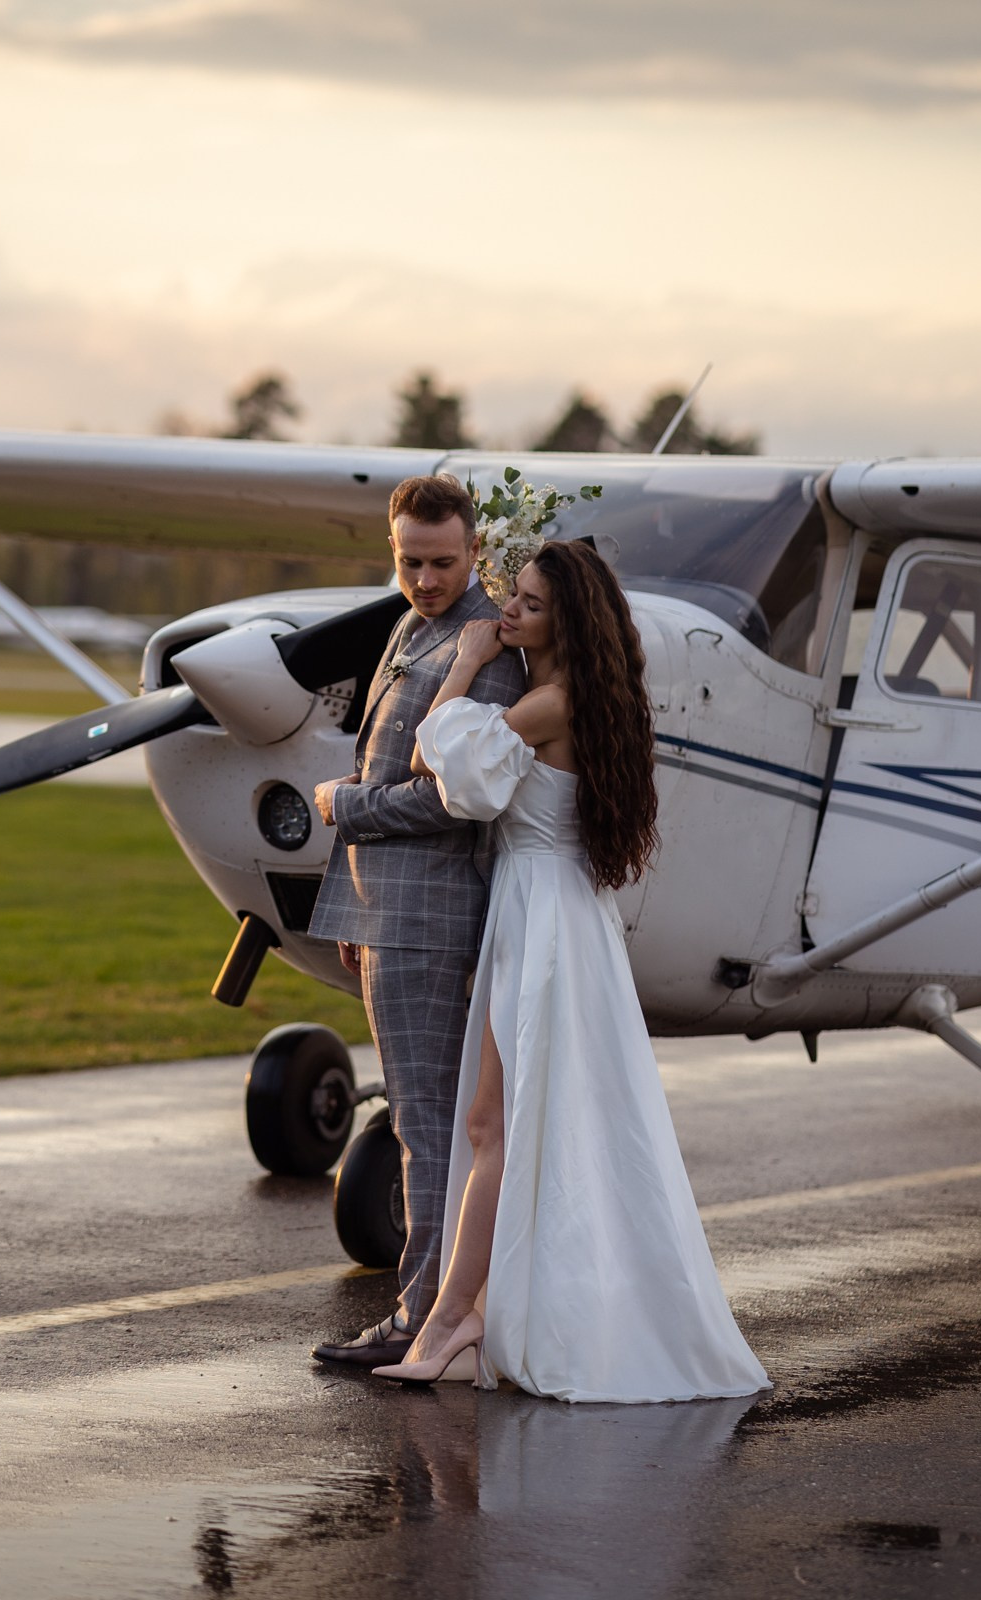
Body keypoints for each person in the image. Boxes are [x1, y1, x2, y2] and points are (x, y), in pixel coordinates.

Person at [372, 540, 769, 1403]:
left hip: (543, 918)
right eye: (511, 598)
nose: (508, 613)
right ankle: (467, 1314)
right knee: (492, 1125)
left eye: (530, 606)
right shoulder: (574, 696)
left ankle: (450, 1319)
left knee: (497, 1129)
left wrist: (470, 658)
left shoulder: (552, 702)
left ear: (569, 625)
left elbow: (437, 764)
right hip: (544, 910)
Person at [308, 474, 526, 1370]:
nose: (427, 578)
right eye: (410, 561)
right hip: (385, 907)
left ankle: (421, 1319)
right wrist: (352, 905)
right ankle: (433, 1310)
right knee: (418, 1116)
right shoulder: (412, 624)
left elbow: (456, 798)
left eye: (443, 562)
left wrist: (347, 808)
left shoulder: (489, 650)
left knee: (425, 1121)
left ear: (475, 551)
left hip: (429, 914)